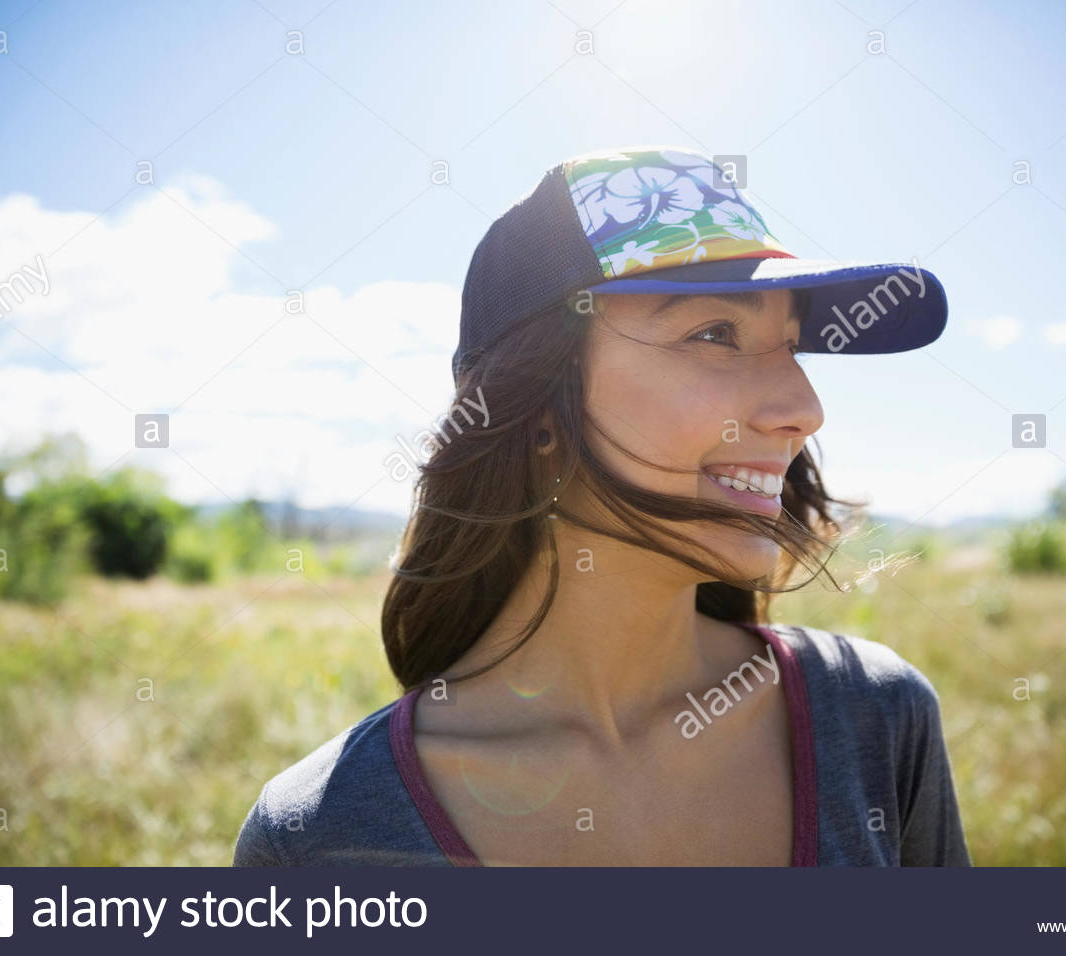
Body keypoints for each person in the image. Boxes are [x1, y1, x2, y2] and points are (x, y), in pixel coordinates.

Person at [232, 145, 971, 867]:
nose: (805, 409)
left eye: (792, 347)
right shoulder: (317, 839)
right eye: (716, 333)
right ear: (539, 407)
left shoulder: (877, 719)